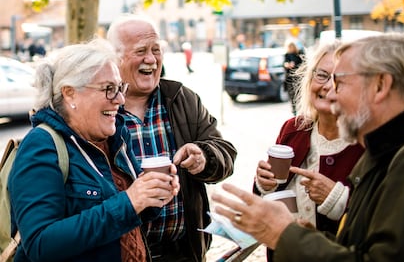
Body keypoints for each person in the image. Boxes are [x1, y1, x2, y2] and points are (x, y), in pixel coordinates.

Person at [212, 33, 404, 262]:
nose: (332, 93)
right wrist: (304, 235)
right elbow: (361, 245)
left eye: (340, 82)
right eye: (324, 77)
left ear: (380, 85)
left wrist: (284, 234)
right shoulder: (384, 150)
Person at [8, 38, 180, 262]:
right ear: (70, 93)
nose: (120, 99)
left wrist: (151, 196)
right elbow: (41, 245)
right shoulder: (42, 145)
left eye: (120, 88)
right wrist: (130, 202)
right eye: (109, 89)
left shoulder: (115, 137)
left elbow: (123, 217)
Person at [106, 13, 237, 262]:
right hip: (123, 254)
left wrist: (204, 157)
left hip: (183, 252)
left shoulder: (182, 98)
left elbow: (225, 153)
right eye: (141, 50)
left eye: (156, 49)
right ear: (115, 57)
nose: (151, 59)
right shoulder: (103, 107)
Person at [254, 41, 364, 260]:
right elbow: (270, 194)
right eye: (322, 75)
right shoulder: (293, 128)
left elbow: (378, 220)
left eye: (340, 79)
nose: (328, 86)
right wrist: (264, 184)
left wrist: (336, 198)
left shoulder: (365, 143)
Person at [283, 41, 304, 115]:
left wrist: (294, 65)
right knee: (292, 96)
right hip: (289, 78)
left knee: (299, 95)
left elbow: (302, 65)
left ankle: (299, 110)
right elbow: (284, 63)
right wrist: (287, 65)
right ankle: (294, 111)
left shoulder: (299, 54)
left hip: (297, 78)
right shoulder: (287, 55)